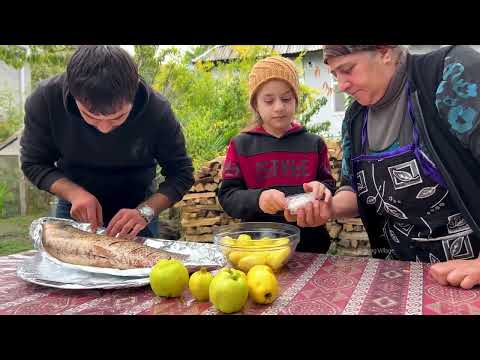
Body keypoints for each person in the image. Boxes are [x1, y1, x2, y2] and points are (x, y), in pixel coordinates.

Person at [319, 45, 480, 289]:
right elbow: (353, 188)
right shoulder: (355, 118)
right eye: (335, 75)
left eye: (348, 69)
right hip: (401, 275)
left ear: (385, 52)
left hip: (468, 275)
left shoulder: (450, 73)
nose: (341, 85)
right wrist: (327, 206)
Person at [20, 45, 194, 239]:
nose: (104, 128)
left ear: (134, 93)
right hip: (74, 204)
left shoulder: (157, 111)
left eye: (117, 118)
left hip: (138, 205)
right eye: (90, 117)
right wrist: (74, 194)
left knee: (140, 268)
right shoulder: (45, 100)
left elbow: (181, 174)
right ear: (72, 92)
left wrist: (145, 211)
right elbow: (33, 163)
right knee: (71, 268)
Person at [218, 56, 336, 253]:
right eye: (269, 100)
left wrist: (321, 188)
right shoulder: (241, 145)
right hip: (259, 247)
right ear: (256, 104)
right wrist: (259, 199)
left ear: (296, 101)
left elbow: (329, 185)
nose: (279, 107)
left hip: (310, 245)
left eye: (286, 99)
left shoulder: (313, 144)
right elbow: (228, 196)